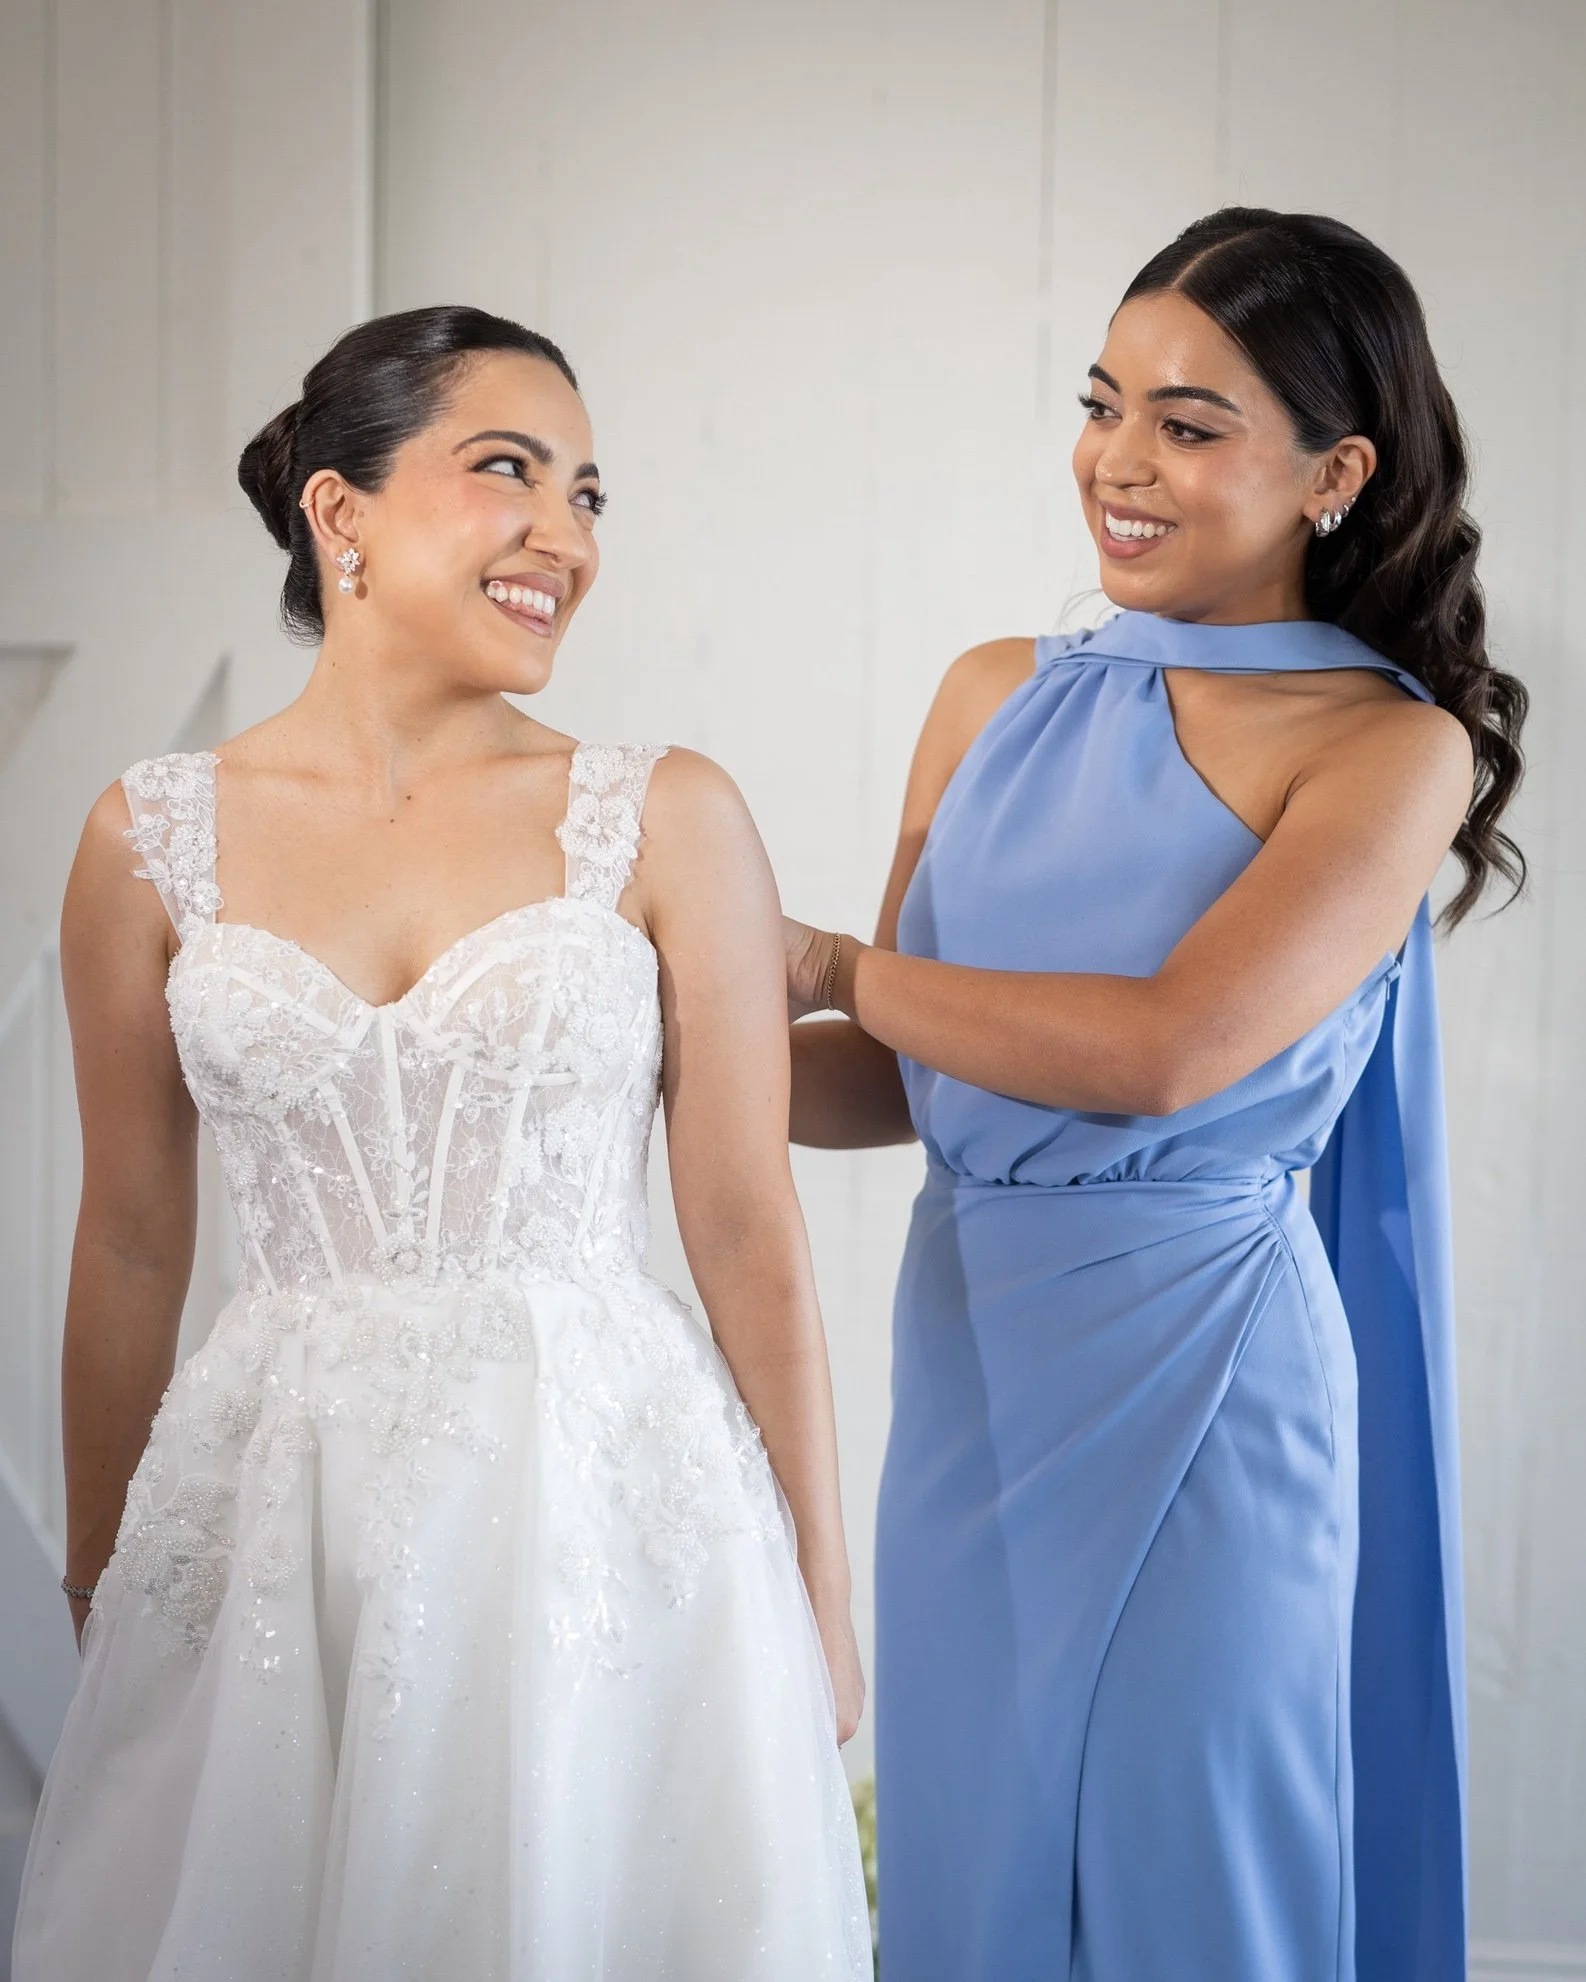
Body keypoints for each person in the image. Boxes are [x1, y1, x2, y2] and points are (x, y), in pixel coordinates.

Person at [14, 305, 870, 1982]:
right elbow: (127, 1233)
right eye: (508, 473)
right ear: (341, 512)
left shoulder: (666, 812)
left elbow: (747, 1223)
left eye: (589, 493)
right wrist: (106, 1563)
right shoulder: (144, 837)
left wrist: (823, 1585)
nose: (566, 534)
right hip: (273, 1510)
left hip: (596, 1499)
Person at [785, 208, 1526, 1982]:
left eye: (1187, 428)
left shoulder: (1389, 747)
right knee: (972, 1850)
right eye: (1101, 402)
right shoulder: (990, 695)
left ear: (1331, 472)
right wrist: (622, 1028)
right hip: (972, 1358)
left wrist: (813, 961)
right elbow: (891, 1070)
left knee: (1193, 1856)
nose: (1114, 464)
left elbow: (1178, 1045)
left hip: (1205, 1368)